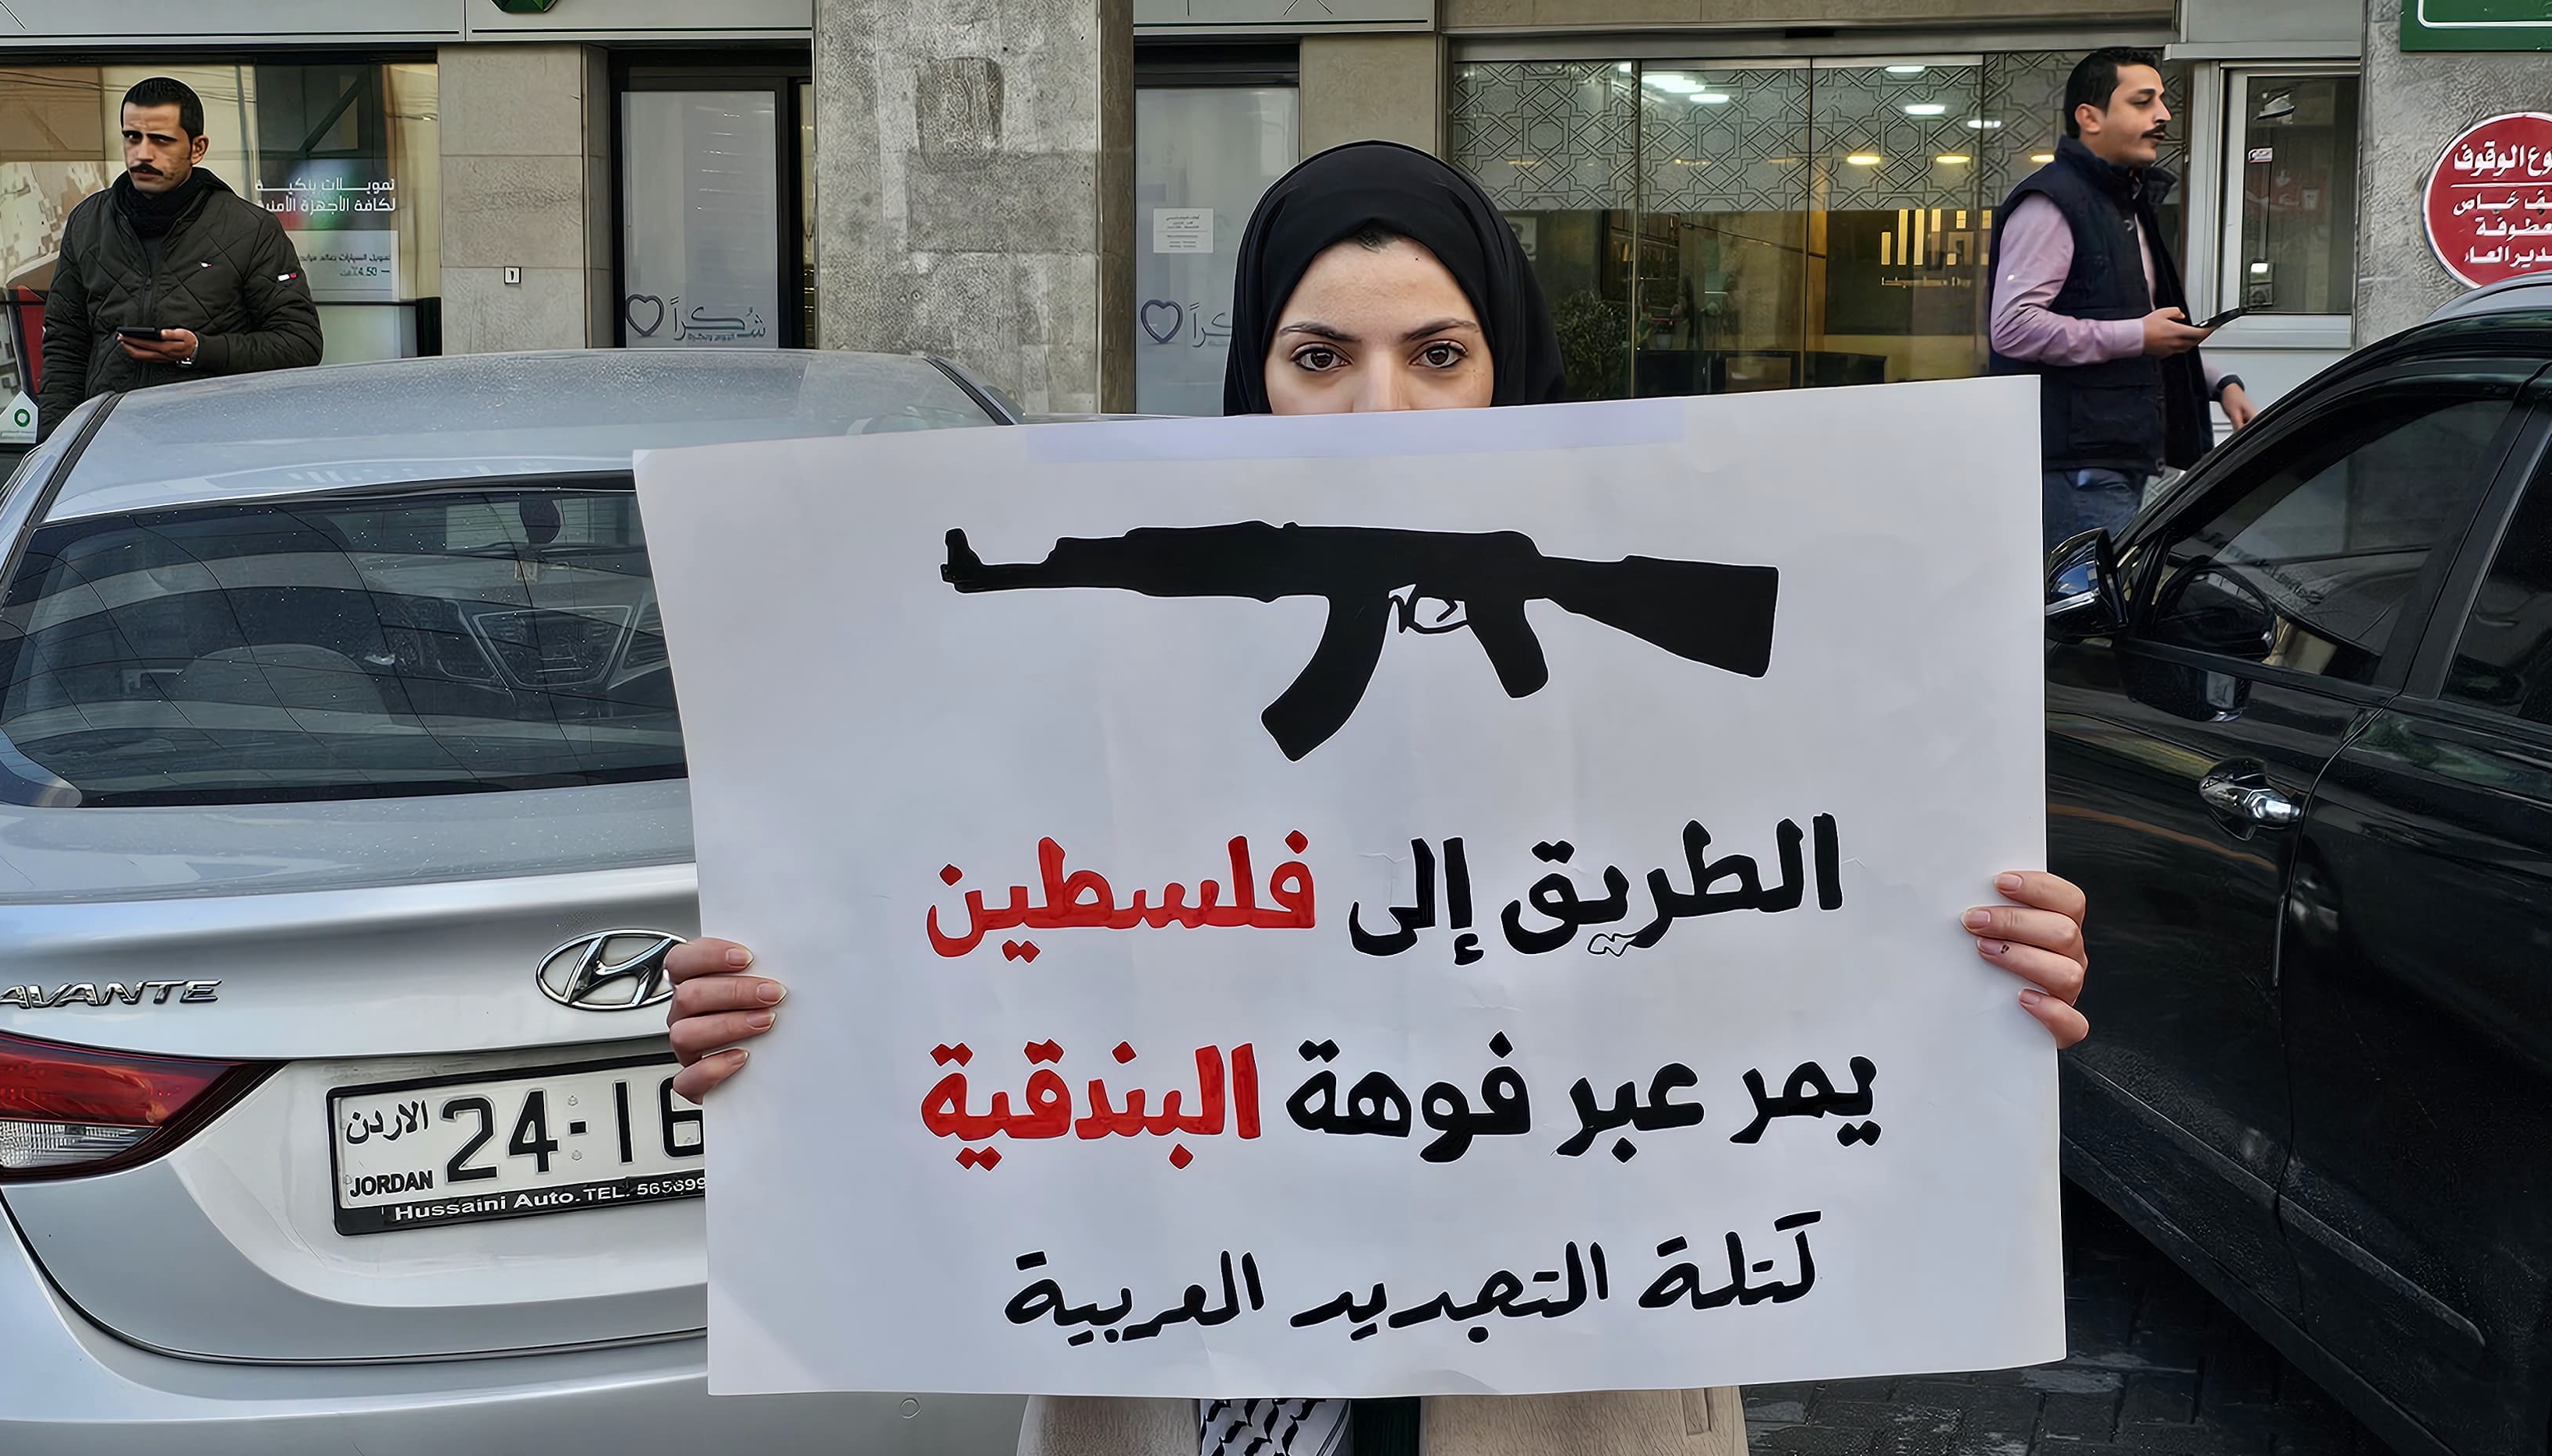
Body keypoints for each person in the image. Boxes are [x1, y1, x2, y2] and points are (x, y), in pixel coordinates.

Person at [663, 141, 2092, 1456]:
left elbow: (1784, 923)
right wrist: (800, 1007)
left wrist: (1960, 957)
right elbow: (977, 926)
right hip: (1200, 1330)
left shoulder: (1662, 695)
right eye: (1319, 357)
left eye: (1440, 354)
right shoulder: (1105, 674)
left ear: (1506, 365)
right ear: (1256, 374)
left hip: (1569, 1351)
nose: (1380, 407)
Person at [1988, 48, 2254, 547]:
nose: (2164, 115)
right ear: (2090, 118)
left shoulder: (2125, 203)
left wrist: (2220, 384)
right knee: (2085, 597)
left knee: (2115, 591)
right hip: (2077, 466)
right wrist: (2138, 335)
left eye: (2163, 101)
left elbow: (2139, 331)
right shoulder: (2052, 203)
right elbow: (2014, 327)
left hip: (2119, 456)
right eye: (2142, 101)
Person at [37, 76, 323, 436]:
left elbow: (300, 344)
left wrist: (199, 350)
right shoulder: (88, 222)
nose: (142, 154)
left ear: (197, 148)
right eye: (132, 137)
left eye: (161, 140)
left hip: (215, 443)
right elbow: (65, 344)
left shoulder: (250, 228)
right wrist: (54, 444)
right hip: (112, 441)